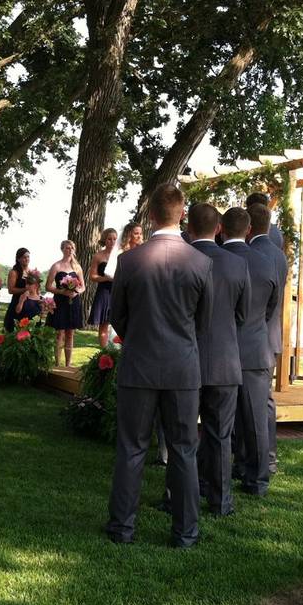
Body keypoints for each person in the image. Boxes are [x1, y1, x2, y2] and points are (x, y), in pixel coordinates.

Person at [105, 183, 212, 548]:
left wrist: (140, 338)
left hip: (140, 363)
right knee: (184, 448)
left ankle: (122, 528)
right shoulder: (201, 262)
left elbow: (118, 315)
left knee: (132, 447)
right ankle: (186, 533)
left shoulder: (130, 260)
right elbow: (204, 323)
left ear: (150, 215)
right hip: (183, 366)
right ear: (181, 214)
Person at [187, 203, 250, 516]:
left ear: (189, 226)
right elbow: (243, 315)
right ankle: (221, 502)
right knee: (221, 436)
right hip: (226, 359)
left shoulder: (183, 260)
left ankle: (178, 497)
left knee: (183, 436)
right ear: (218, 229)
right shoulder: (238, 265)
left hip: (188, 361)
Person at [220, 207, 278, 496]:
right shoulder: (266, 263)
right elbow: (271, 307)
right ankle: (257, 480)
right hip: (256, 347)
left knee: (221, 421)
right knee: (256, 420)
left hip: (223, 349)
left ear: (222, 228)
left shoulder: (217, 260)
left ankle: (221, 475)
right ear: (249, 229)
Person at [248, 202, 288, 476]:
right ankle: (269, 458)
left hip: (254, 336)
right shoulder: (280, 254)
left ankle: (254, 461)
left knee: (252, 405)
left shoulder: (252, 254)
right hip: (271, 336)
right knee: (266, 402)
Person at [45, 240, 85, 367]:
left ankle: (68, 365)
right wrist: (62, 292)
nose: (70, 250)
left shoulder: (77, 267)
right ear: (62, 249)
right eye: (67, 248)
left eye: (72, 248)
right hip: (60, 302)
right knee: (60, 332)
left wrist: (76, 291)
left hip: (73, 302)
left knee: (70, 333)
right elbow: (48, 286)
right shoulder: (56, 266)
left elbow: (83, 286)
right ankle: (57, 363)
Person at [88, 229, 118, 348]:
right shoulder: (98, 256)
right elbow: (92, 276)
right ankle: (104, 352)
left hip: (118, 291)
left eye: (115, 239)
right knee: (104, 323)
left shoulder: (121, 254)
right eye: (109, 239)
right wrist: (106, 278)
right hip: (104, 291)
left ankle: (118, 351)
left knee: (120, 322)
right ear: (104, 240)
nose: (112, 241)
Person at [3, 248, 30, 332]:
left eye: (28, 257)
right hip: (17, 303)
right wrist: (25, 289)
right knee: (14, 330)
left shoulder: (31, 272)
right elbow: (10, 290)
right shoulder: (14, 272)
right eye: (24, 257)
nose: (27, 259)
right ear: (18, 259)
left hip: (29, 304)